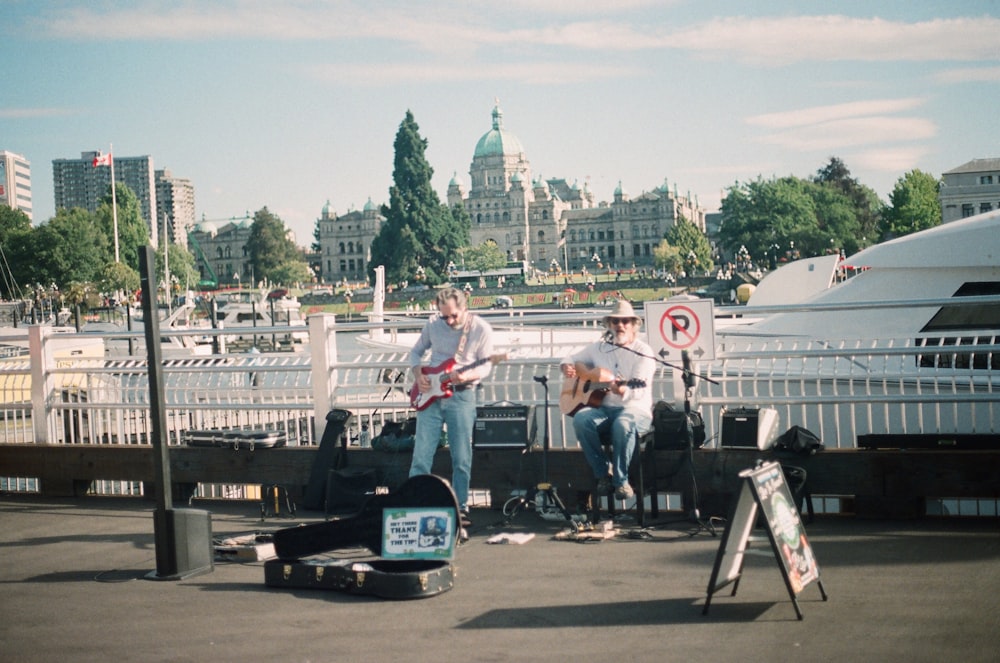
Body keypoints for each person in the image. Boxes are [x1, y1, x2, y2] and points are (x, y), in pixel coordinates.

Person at [409, 287, 495, 534]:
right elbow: (416, 352)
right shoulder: (433, 324)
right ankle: (416, 503)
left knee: (461, 456)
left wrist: (469, 374)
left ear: (464, 308)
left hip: (462, 394)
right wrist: (418, 373)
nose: (449, 321)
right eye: (444, 316)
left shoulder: (480, 329)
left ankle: (461, 507)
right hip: (430, 395)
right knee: (421, 454)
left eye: (453, 316)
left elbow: (486, 365)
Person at [559, 300, 655, 500]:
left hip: (636, 410)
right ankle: (603, 474)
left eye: (625, 321)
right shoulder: (598, 348)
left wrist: (622, 391)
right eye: (615, 321)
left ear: (633, 325)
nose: (620, 326)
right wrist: (566, 367)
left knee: (623, 423)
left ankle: (621, 481)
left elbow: (639, 391)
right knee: (581, 419)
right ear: (609, 325)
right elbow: (570, 358)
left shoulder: (643, 351)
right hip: (603, 410)